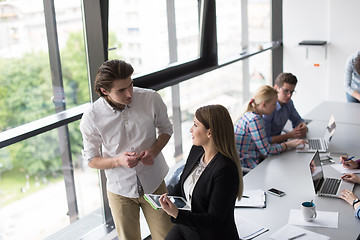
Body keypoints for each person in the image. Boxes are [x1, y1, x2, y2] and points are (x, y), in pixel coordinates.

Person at [79, 59, 173, 240]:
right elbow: (92, 160)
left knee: (168, 237)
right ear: (104, 91)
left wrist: (153, 150)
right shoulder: (91, 118)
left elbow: (166, 129)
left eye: (130, 85)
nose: (129, 93)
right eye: (121, 90)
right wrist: (118, 161)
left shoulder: (151, 98)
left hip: (154, 182)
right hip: (120, 190)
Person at [158, 104, 243, 240]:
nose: (191, 130)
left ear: (210, 133)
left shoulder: (225, 170)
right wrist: (170, 198)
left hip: (210, 234)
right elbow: (182, 183)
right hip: (188, 225)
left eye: (195, 125)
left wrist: (177, 214)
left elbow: (213, 221)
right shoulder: (197, 150)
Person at [234, 85, 305, 169]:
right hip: (249, 166)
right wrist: (288, 144)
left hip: (251, 161)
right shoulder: (254, 120)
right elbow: (267, 151)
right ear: (263, 104)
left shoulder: (250, 115)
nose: (275, 107)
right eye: (274, 104)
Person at [263, 73, 307, 144]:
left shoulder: (289, 103)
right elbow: (266, 140)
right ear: (276, 88)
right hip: (269, 148)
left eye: (292, 92)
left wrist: (303, 126)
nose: (289, 95)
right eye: (286, 91)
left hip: (279, 143)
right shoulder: (268, 108)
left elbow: (297, 120)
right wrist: (290, 135)